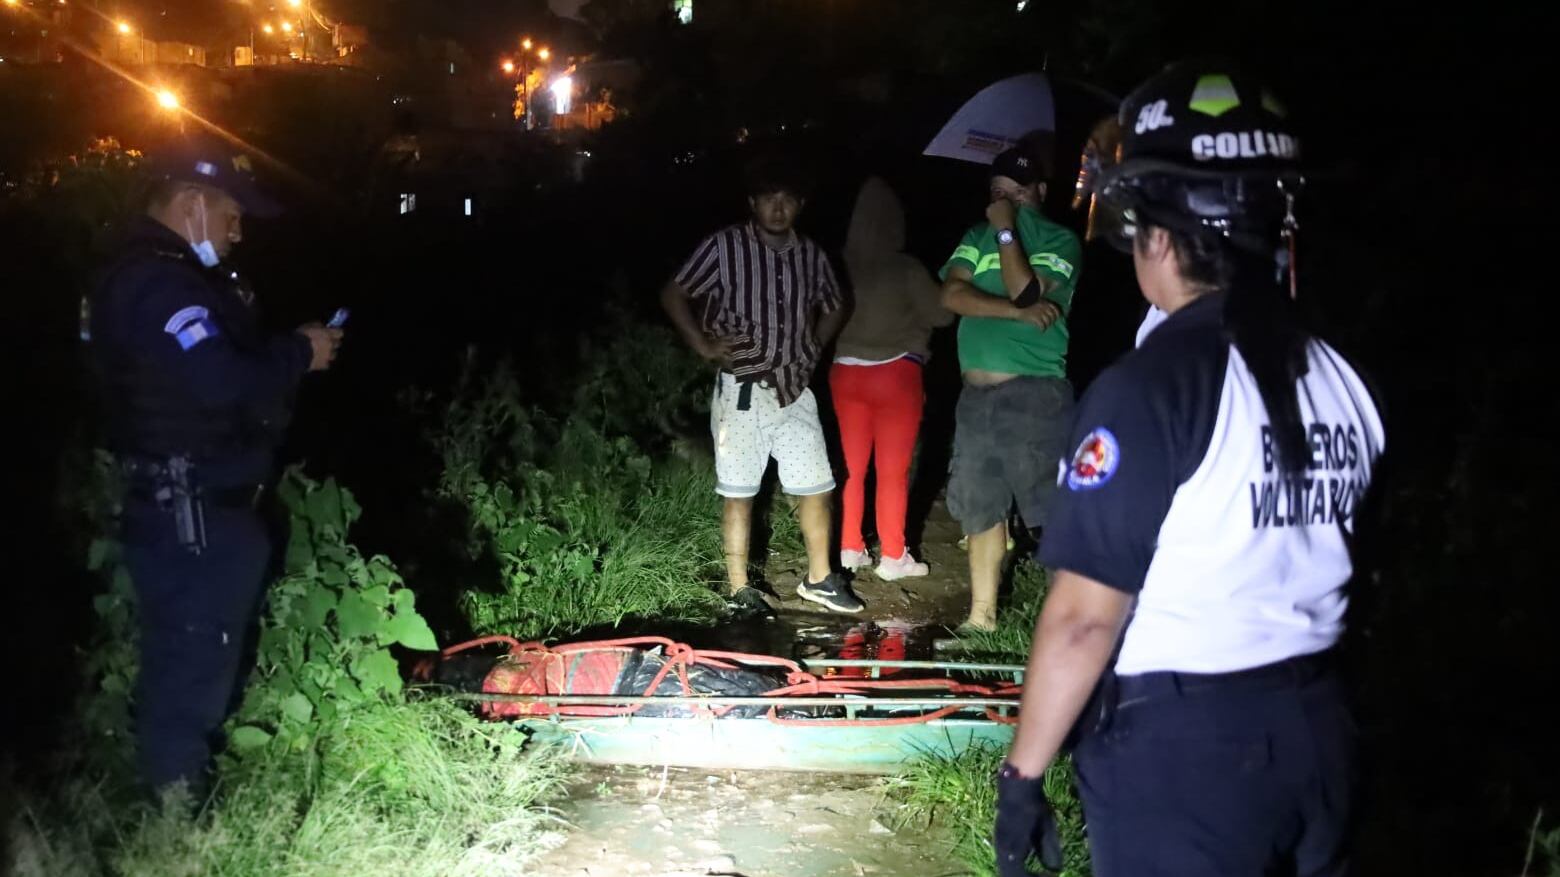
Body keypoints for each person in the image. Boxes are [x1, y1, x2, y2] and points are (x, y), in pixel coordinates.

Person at [992, 62, 1385, 877]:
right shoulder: (1341, 375)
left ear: (1160, 237)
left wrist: (1023, 775)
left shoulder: (1152, 386)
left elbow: (1083, 618)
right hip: (1321, 729)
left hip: (1190, 754)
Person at [88, 137, 342, 796]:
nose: (238, 229)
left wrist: (287, 353)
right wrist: (296, 354)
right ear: (192, 203)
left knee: (198, 659)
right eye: (231, 211)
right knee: (190, 669)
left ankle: (177, 802)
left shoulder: (174, 277)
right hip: (189, 512)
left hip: (203, 505)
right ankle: (177, 830)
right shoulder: (155, 284)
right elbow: (219, 381)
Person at [660, 156, 864, 616]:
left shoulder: (810, 254)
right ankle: (739, 590)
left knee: (817, 486)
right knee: (739, 492)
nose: (778, 208)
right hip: (742, 391)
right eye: (769, 199)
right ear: (753, 203)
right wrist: (704, 346)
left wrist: (815, 344)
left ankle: (819, 579)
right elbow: (674, 293)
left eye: (787, 199)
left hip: (795, 389)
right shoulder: (724, 247)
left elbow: (836, 303)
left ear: (800, 205)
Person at [938, 139, 1083, 631]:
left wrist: (1006, 231)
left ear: (1040, 191)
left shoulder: (1059, 240)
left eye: (1018, 193)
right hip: (975, 399)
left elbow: (1026, 287)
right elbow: (952, 294)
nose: (1006, 202)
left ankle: (1065, 623)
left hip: (1036, 394)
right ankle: (982, 618)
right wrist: (1013, 312)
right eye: (998, 192)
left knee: (1050, 508)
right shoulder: (974, 234)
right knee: (979, 504)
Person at [830, 177, 952, 581]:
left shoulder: (839, 265)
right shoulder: (906, 267)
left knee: (852, 469)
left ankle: (850, 547)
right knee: (892, 471)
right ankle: (894, 556)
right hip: (896, 373)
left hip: (846, 374)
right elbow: (943, 315)